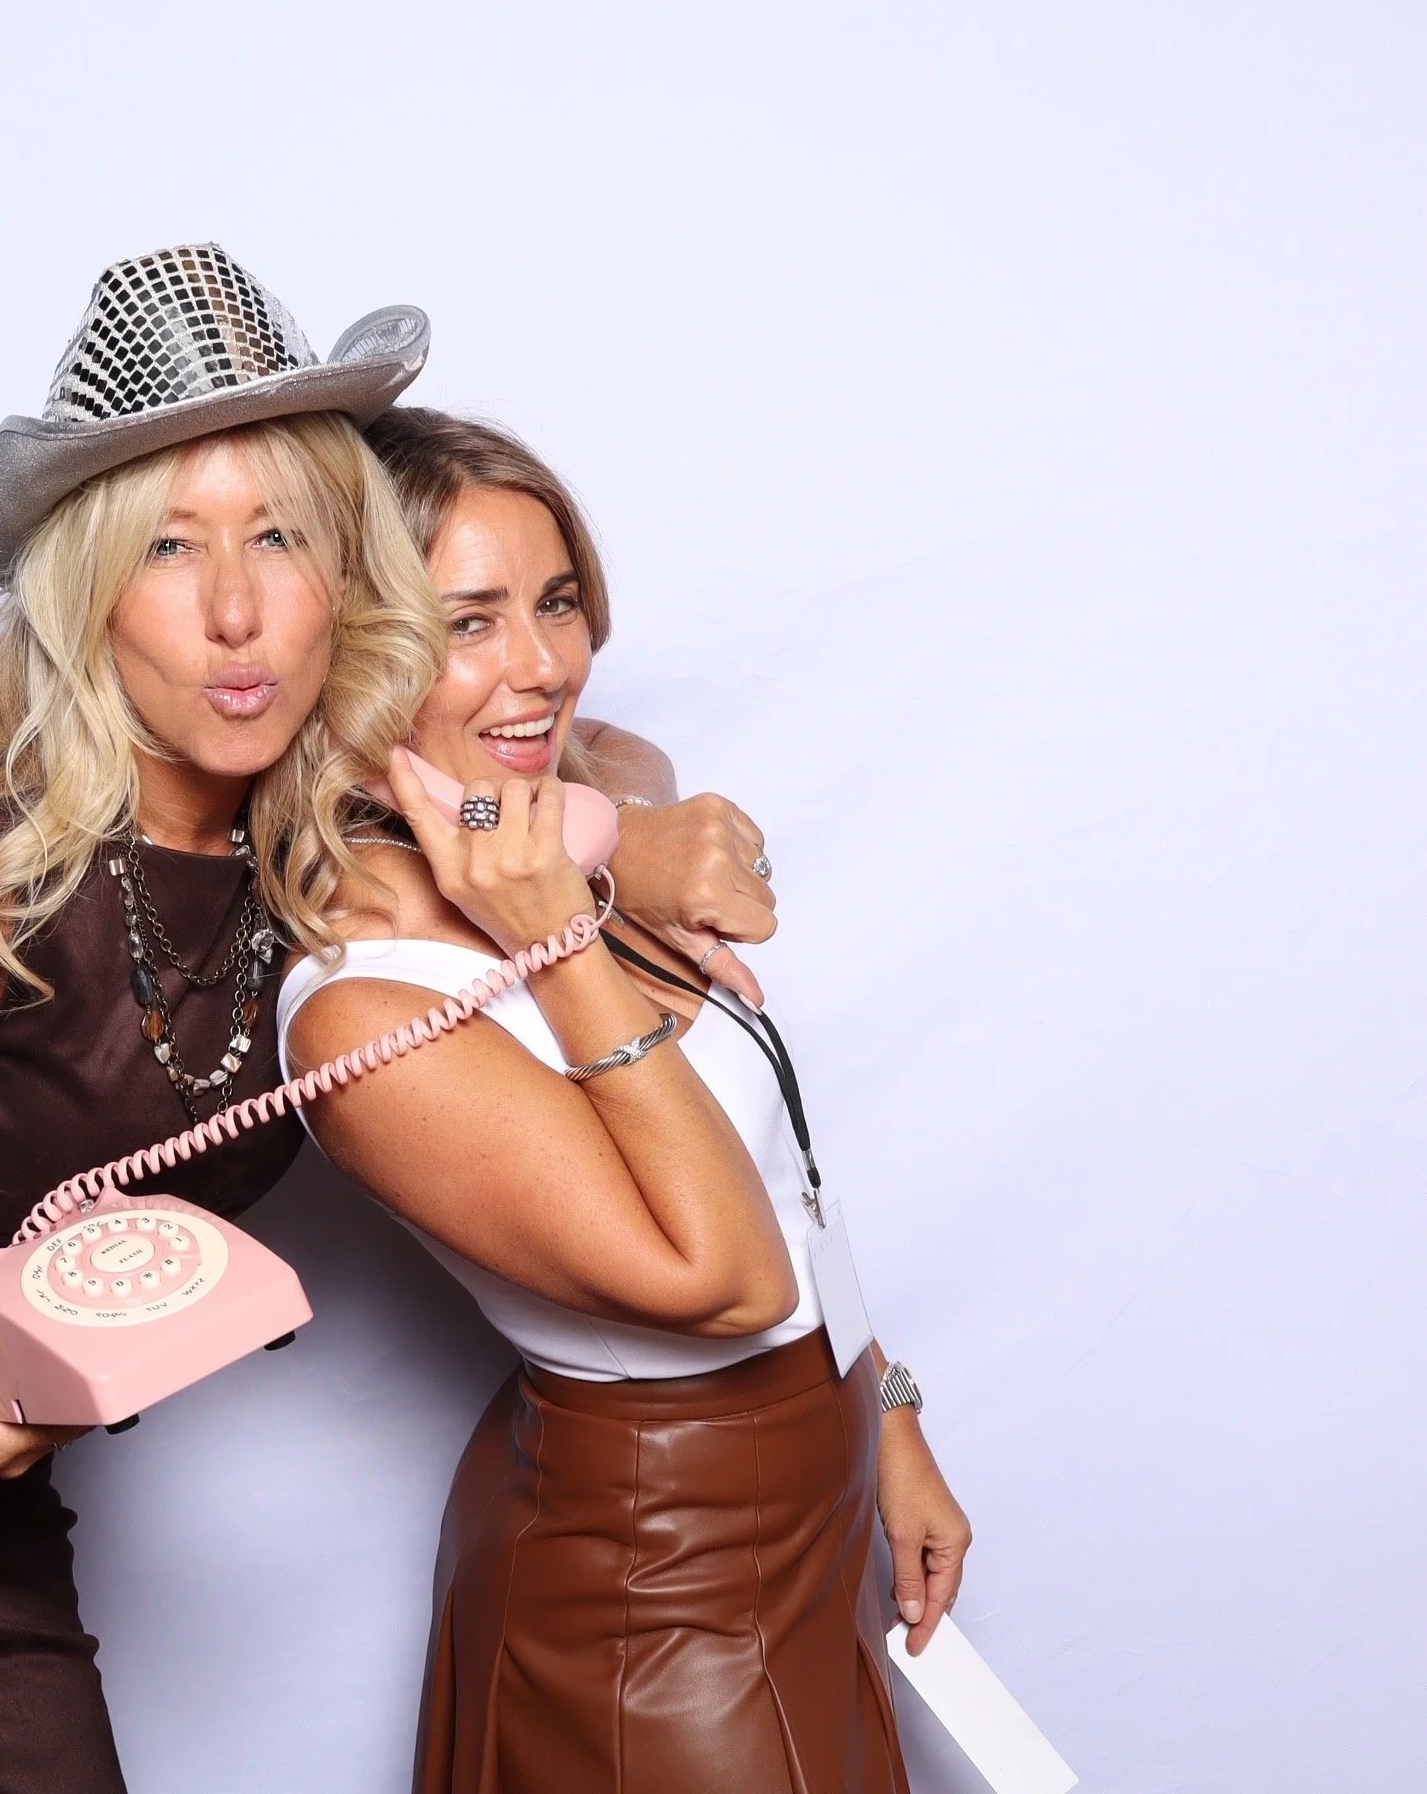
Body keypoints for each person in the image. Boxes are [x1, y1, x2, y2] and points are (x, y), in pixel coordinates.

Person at [0, 246, 764, 1792]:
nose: (239, 615)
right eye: (170, 548)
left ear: (348, 578)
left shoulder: (325, 836)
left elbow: (603, 740)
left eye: (283, 538)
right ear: (91, 594)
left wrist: (613, 838)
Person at [279, 407, 974, 1794]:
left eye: (556, 603)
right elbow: (724, 1274)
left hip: (802, 1507)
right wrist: (563, 937)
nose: (541, 668)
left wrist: (886, 1412)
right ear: (356, 661)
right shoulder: (371, 1007)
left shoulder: (566, 811)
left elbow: (775, 1176)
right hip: (656, 1599)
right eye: (467, 624)